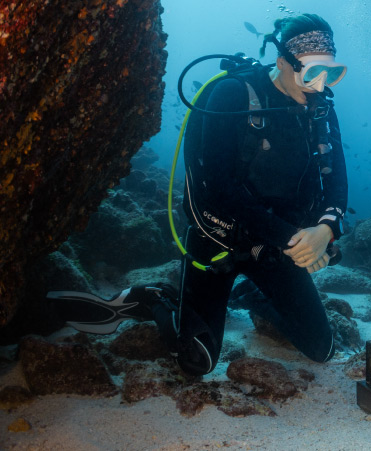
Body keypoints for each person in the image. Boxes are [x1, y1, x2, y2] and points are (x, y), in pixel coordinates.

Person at [49, 13, 349, 376]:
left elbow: (336, 182)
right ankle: (158, 299)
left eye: (332, 73)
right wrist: (294, 239)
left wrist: (323, 232)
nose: (320, 85)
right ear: (283, 61)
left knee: (321, 349)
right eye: (312, 72)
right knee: (197, 362)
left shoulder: (321, 110)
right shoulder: (232, 94)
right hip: (218, 240)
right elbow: (218, 188)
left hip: (274, 248)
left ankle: (251, 296)